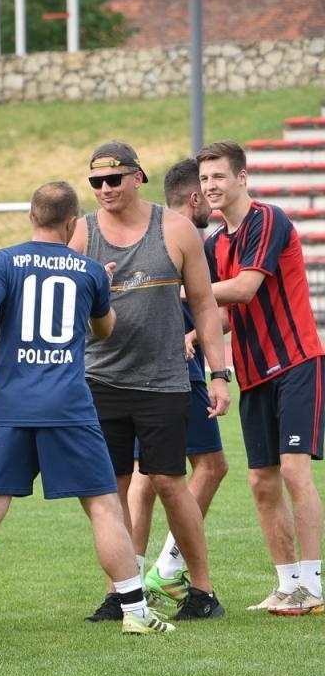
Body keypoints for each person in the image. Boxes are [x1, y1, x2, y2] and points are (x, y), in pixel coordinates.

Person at [0, 182, 174, 639]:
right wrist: (102, 292)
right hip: (68, 404)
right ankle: (134, 609)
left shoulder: (3, 261)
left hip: (13, 405)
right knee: (103, 506)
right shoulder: (88, 271)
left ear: (31, 217)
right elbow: (105, 330)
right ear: (73, 223)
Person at [68, 142, 229, 623]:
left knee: (169, 482)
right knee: (109, 488)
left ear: (137, 177)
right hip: (99, 380)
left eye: (114, 179)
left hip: (163, 380)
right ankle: (122, 591)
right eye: (96, 182)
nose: (104, 190)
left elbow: (204, 305)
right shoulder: (81, 233)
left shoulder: (176, 229)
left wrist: (219, 374)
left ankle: (202, 589)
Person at [199, 139, 325, 615]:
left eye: (219, 177)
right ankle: (287, 583)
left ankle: (312, 587)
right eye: (205, 178)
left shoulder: (268, 219)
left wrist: (187, 292)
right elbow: (225, 311)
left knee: (294, 470)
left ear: (241, 178)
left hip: (296, 362)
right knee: (261, 481)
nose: (211, 186)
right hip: (252, 373)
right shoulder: (215, 245)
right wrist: (196, 332)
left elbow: (245, 289)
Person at [123, 160, 230, 613]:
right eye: (206, 191)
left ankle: (129, 582)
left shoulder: (146, 234)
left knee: (144, 475)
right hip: (176, 376)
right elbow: (207, 304)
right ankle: (166, 572)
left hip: (132, 373)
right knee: (209, 466)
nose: (212, 200)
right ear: (193, 199)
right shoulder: (187, 238)